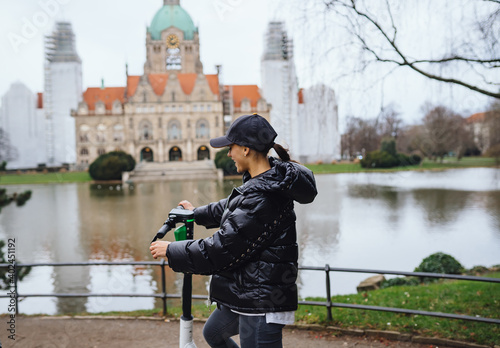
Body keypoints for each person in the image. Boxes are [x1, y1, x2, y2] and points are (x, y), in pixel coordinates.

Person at [150, 114, 317, 348]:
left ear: (246, 149)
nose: (228, 153)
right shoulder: (262, 182)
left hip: (260, 302)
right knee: (214, 333)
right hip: (246, 291)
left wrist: (171, 250)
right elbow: (230, 207)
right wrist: (195, 213)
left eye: (231, 147)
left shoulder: (263, 196)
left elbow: (221, 248)